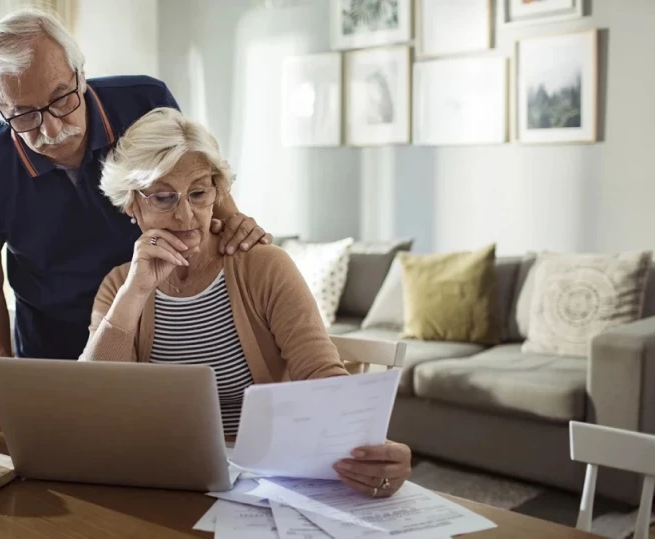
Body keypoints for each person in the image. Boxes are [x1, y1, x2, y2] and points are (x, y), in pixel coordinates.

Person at [81, 108, 412, 498]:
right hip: (161, 477)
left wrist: (371, 451)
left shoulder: (262, 266)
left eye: (199, 193)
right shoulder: (120, 285)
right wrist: (135, 292)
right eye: (164, 197)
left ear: (218, 194)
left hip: (264, 476)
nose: (185, 214)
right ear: (132, 205)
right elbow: (93, 403)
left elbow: (321, 374)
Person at [0, 9, 270, 361]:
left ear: (81, 75)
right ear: (0, 110)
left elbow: (199, 181)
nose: (53, 131)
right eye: (25, 115)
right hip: (51, 349)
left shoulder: (145, 102)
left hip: (159, 329)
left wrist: (233, 222)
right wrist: (1, 374)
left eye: (61, 99)